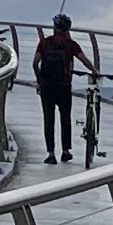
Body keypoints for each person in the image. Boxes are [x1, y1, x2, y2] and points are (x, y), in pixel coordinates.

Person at [32, 14, 80, 165]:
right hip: (64, 86)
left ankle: (51, 154)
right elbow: (85, 60)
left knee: (49, 119)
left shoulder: (45, 43)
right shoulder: (70, 44)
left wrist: (40, 80)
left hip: (47, 86)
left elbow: (35, 63)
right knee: (65, 118)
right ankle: (66, 152)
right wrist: (95, 71)